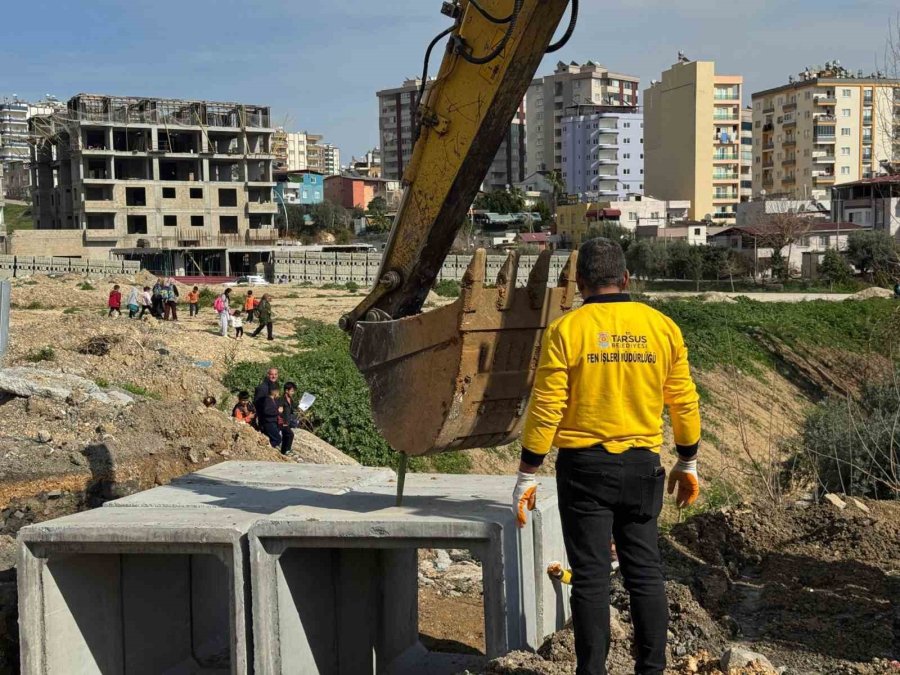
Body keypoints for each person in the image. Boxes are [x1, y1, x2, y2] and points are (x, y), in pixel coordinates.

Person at [513, 238, 701, 675]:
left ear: (579, 284)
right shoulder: (662, 327)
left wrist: (527, 472)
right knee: (646, 574)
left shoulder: (567, 330)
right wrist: (688, 458)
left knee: (592, 579)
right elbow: (684, 401)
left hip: (583, 470)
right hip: (642, 467)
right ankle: (652, 670)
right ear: (626, 279)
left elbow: (547, 405)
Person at [256, 385, 283, 449]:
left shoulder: (274, 400)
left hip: (273, 422)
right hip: (268, 423)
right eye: (278, 392)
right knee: (278, 439)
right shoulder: (267, 400)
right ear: (274, 392)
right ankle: (266, 448)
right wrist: (278, 411)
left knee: (274, 438)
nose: (278, 393)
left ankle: (267, 448)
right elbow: (267, 411)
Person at [278, 381, 298, 455]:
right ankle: (287, 450)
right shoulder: (282, 399)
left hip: (288, 421)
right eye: (292, 391)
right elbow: (279, 411)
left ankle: (283, 452)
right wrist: (282, 422)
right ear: (286, 390)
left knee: (286, 436)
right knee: (290, 434)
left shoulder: (291, 399)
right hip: (283, 422)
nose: (293, 393)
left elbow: (293, 408)